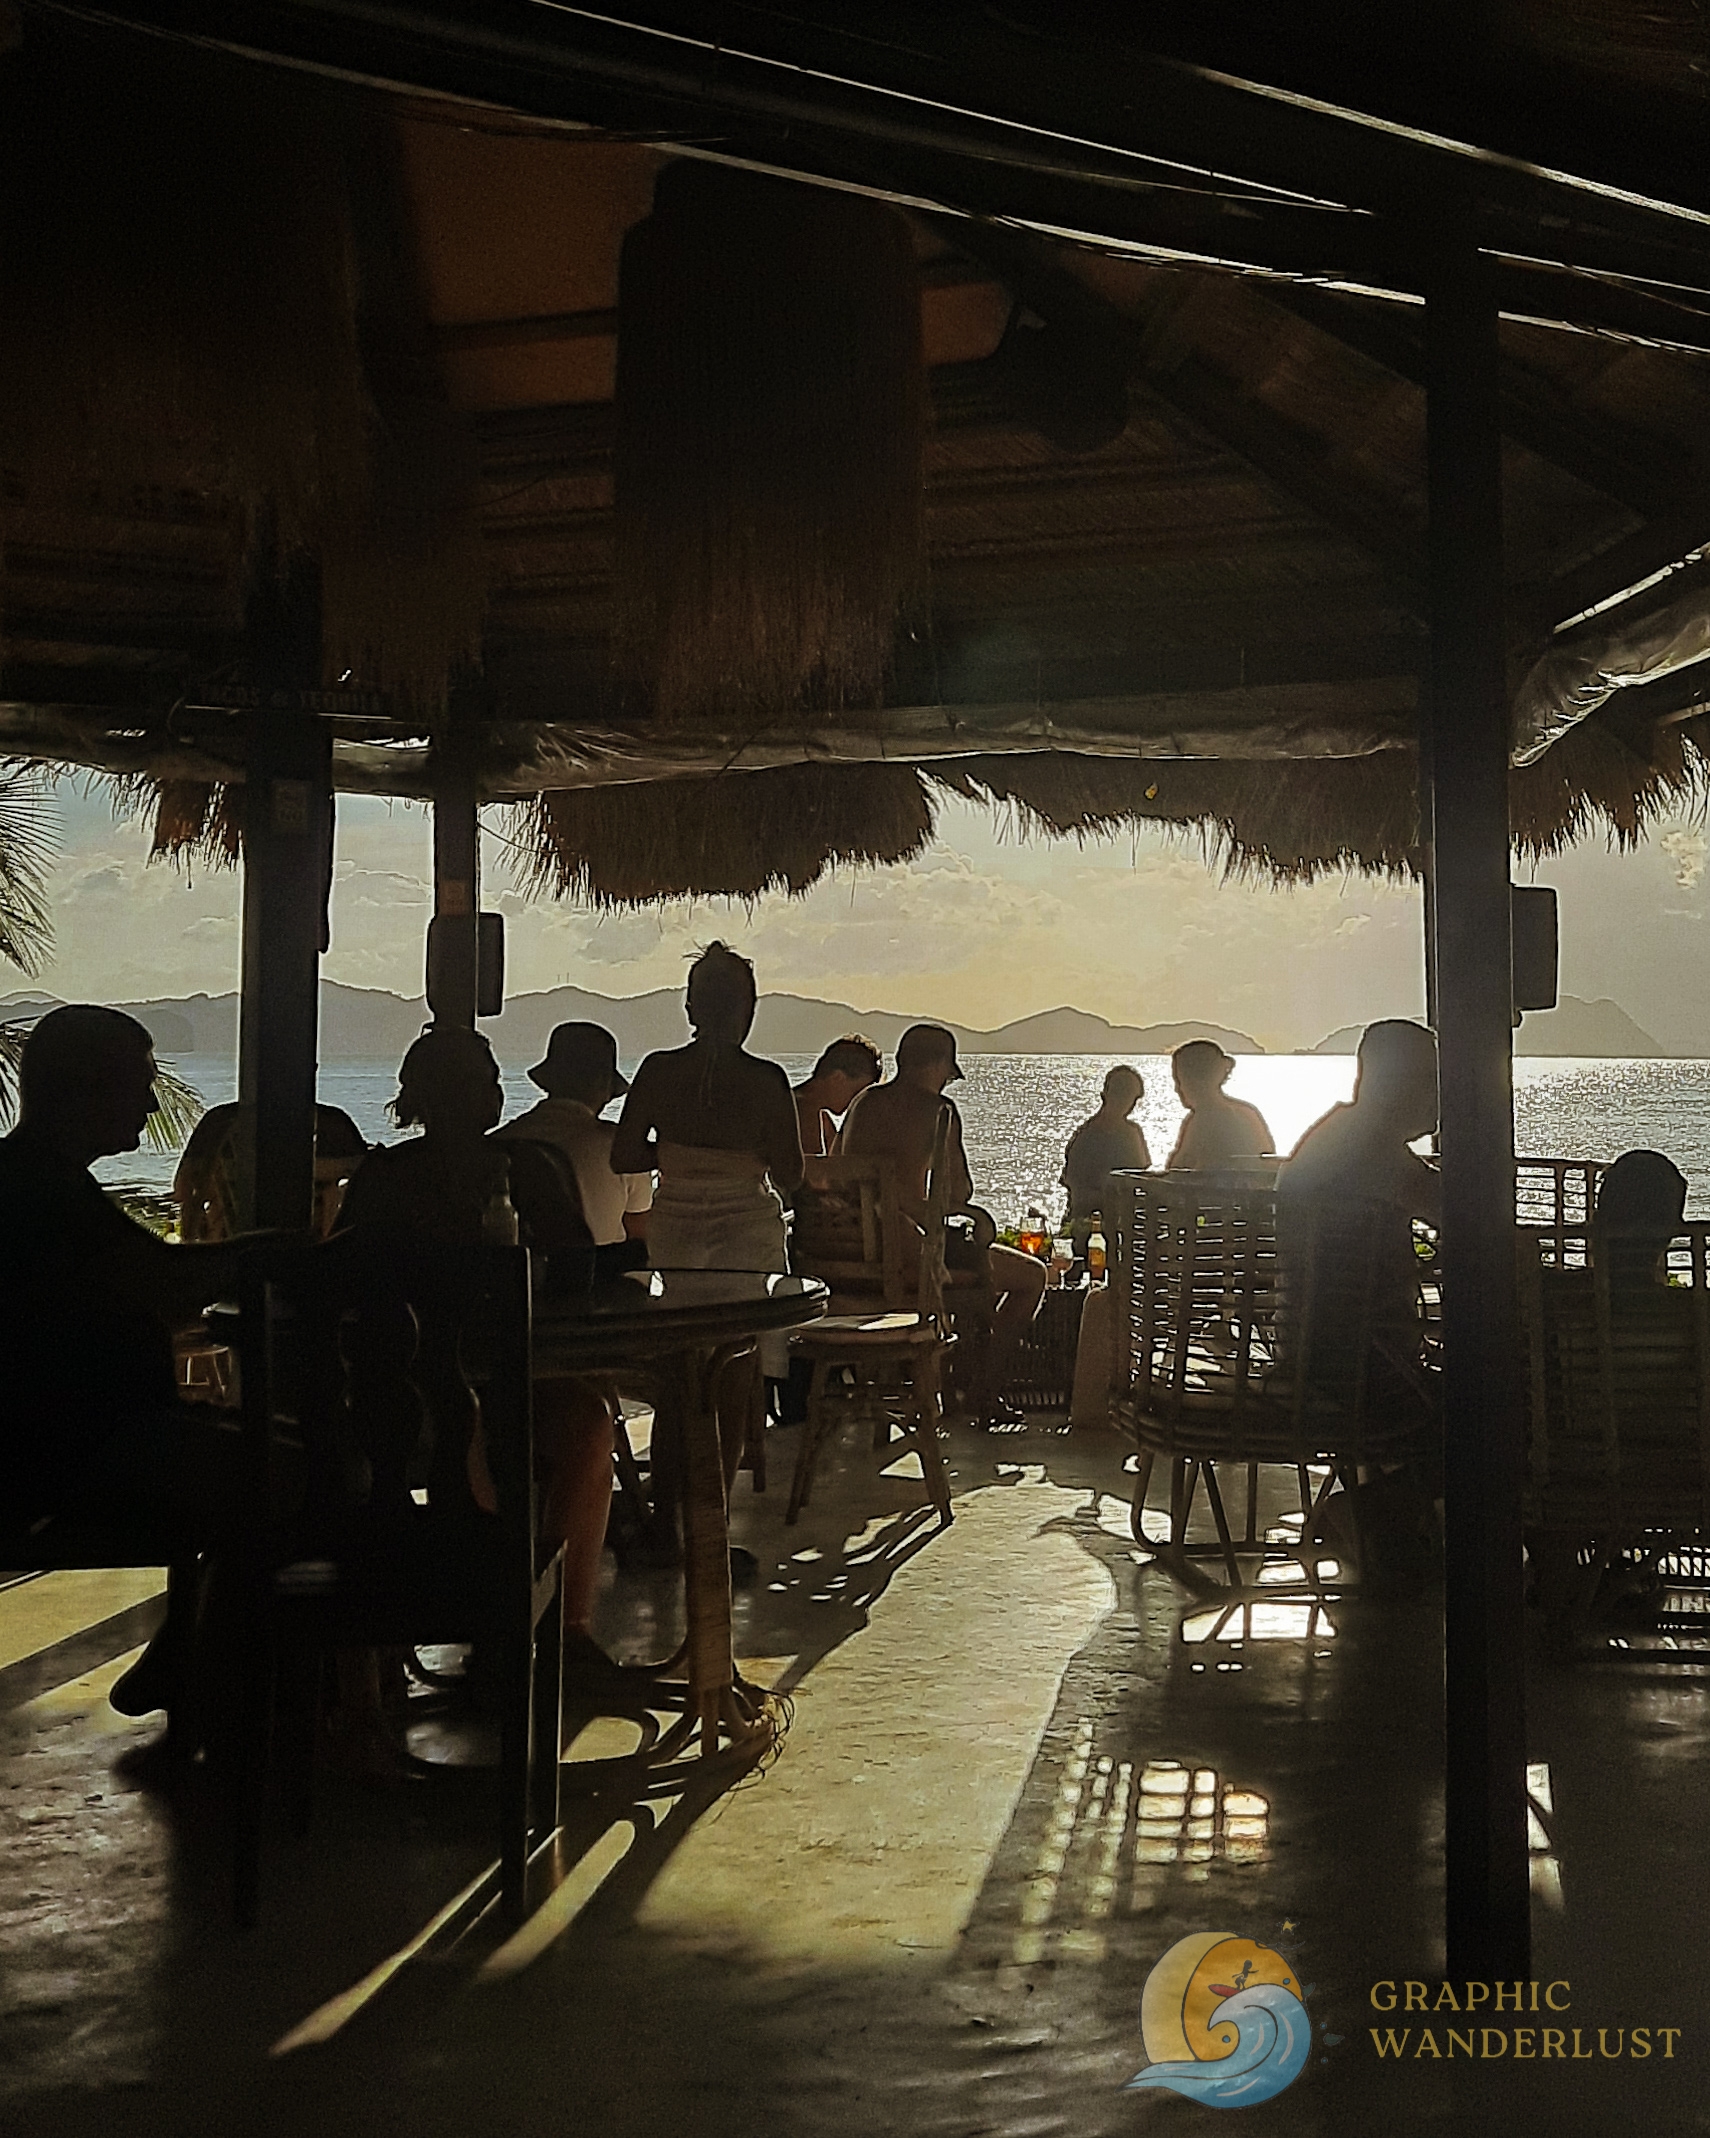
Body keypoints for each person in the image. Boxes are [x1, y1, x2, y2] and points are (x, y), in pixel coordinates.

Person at [0, 1006, 271, 1719]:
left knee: (293, 1465)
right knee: (314, 1474)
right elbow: (168, 1286)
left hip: (69, 1441)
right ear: (82, 1088)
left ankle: (190, 1658)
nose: (152, 1103)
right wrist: (280, 1253)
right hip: (67, 1457)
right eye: (138, 1082)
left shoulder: (36, 1178)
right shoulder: (38, 1187)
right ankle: (223, 1674)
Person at [338, 1026, 614, 1651]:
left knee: (534, 1427)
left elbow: (343, 1280)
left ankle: (531, 1621)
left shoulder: (381, 1178)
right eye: (483, 1080)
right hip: (484, 1395)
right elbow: (578, 1275)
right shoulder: (529, 1169)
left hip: (404, 1407)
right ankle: (558, 1629)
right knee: (583, 1424)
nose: (488, 1093)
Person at [838, 1022, 1046, 1429]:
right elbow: (958, 1193)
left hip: (852, 1254)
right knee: (1030, 1276)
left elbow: (839, 1169)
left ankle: (960, 1380)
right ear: (937, 1067)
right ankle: (983, 1388)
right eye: (948, 1074)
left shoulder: (863, 1102)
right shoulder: (939, 1112)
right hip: (907, 1257)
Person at [610, 943, 803, 1273]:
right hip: (749, 1230)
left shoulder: (658, 1070)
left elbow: (624, 1156)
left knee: (684, 1318)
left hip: (675, 1227)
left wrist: (679, 1155)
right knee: (754, 1318)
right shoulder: (766, 1079)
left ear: (690, 1008)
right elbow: (790, 1173)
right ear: (748, 1009)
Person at [496, 1021, 651, 1257]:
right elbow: (639, 1241)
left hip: (520, 1285)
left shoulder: (501, 1141)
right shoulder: (620, 1147)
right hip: (603, 1286)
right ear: (604, 1086)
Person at [173, 1099, 367, 1241]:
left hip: (228, 1247)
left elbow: (183, 1190)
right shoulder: (334, 1124)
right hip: (309, 1252)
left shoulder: (220, 1121)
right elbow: (366, 1192)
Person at [1059, 1065, 1150, 1237]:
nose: (1126, 1103)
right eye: (1121, 1094)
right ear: (1106, 1095)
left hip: (1128, 1220)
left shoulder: (1133, 1133)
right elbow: (1077, 1193)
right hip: (1090, 1222)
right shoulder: (1085, 1137)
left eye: (1130, 1097)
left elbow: (1142, 1177)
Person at [1165, 1040, 1273, 1172]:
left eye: (1179, 1081)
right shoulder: (1248, 1112)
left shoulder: (1203, 1118)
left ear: (1193, 1081)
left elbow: (1176, 1171)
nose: (1177, 1089)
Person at [793, 1034, 882, 1161]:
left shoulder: (821, 1116)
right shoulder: (800, 1110)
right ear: (837, 1078)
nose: (856, 1102)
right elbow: (814, 1174)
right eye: (857, 1093)